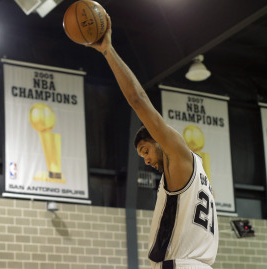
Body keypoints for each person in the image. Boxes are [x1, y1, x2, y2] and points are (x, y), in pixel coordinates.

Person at [89, 15, 219, 269]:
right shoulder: (200, 175)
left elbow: (137, 99)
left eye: (146, 150)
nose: (146, 159)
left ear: (157, 139)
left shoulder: (179, 157)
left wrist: (107, 50)